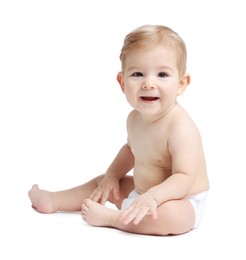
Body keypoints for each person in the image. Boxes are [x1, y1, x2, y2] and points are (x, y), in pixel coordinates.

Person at [28, 24, 209, 236]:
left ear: (181, 83)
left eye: (162, 74)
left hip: (181, 200)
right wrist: (113, 176)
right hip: (142, 193)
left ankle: (113, 219)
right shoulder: (134, 119)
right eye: (138, 74)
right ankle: (54, 199)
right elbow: (130, 151)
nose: (149, 83)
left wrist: (154, 197)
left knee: (171, 216)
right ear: (122, 83)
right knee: (104, 183)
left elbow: (184, 177)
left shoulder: (180, 127)